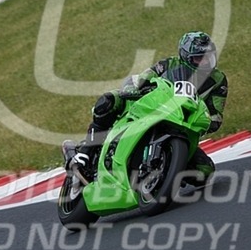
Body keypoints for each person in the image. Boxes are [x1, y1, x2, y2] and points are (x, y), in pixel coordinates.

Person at [62, 31, 228, 185]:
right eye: (199, 58)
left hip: (184, 125)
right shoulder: (168, 64)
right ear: (186, 57)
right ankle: (85, 152)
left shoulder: (218, 80)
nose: (205, 62)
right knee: (109, 100)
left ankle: (166, 173)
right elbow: (144, 77)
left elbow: (216, 115)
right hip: (153, 108)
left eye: (208, 57)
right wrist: (133, 88)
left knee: (205, 171)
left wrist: (206, 121)